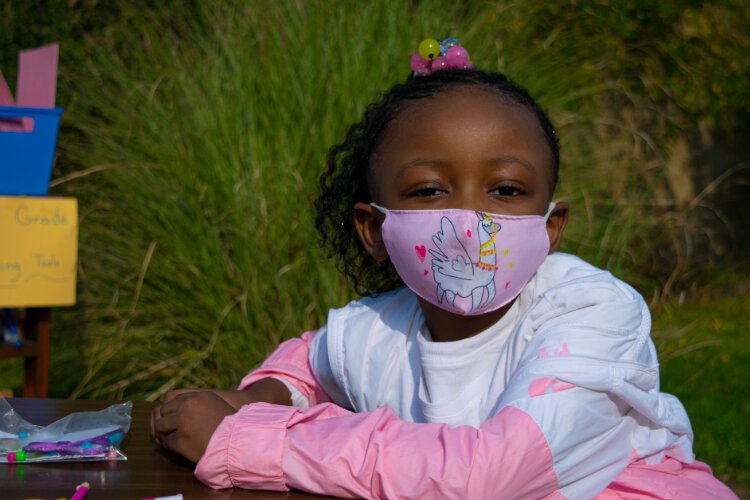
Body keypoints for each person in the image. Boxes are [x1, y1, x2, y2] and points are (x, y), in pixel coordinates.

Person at [150, 39, 737, 499]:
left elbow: (488, 479)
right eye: (430, 191)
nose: (468, 219)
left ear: (550, 227)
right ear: (374, 229)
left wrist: (248, 440)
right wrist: (257, 399)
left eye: (507, 190)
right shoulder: (380, 327)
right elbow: (310, 361)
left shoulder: (592, 313)